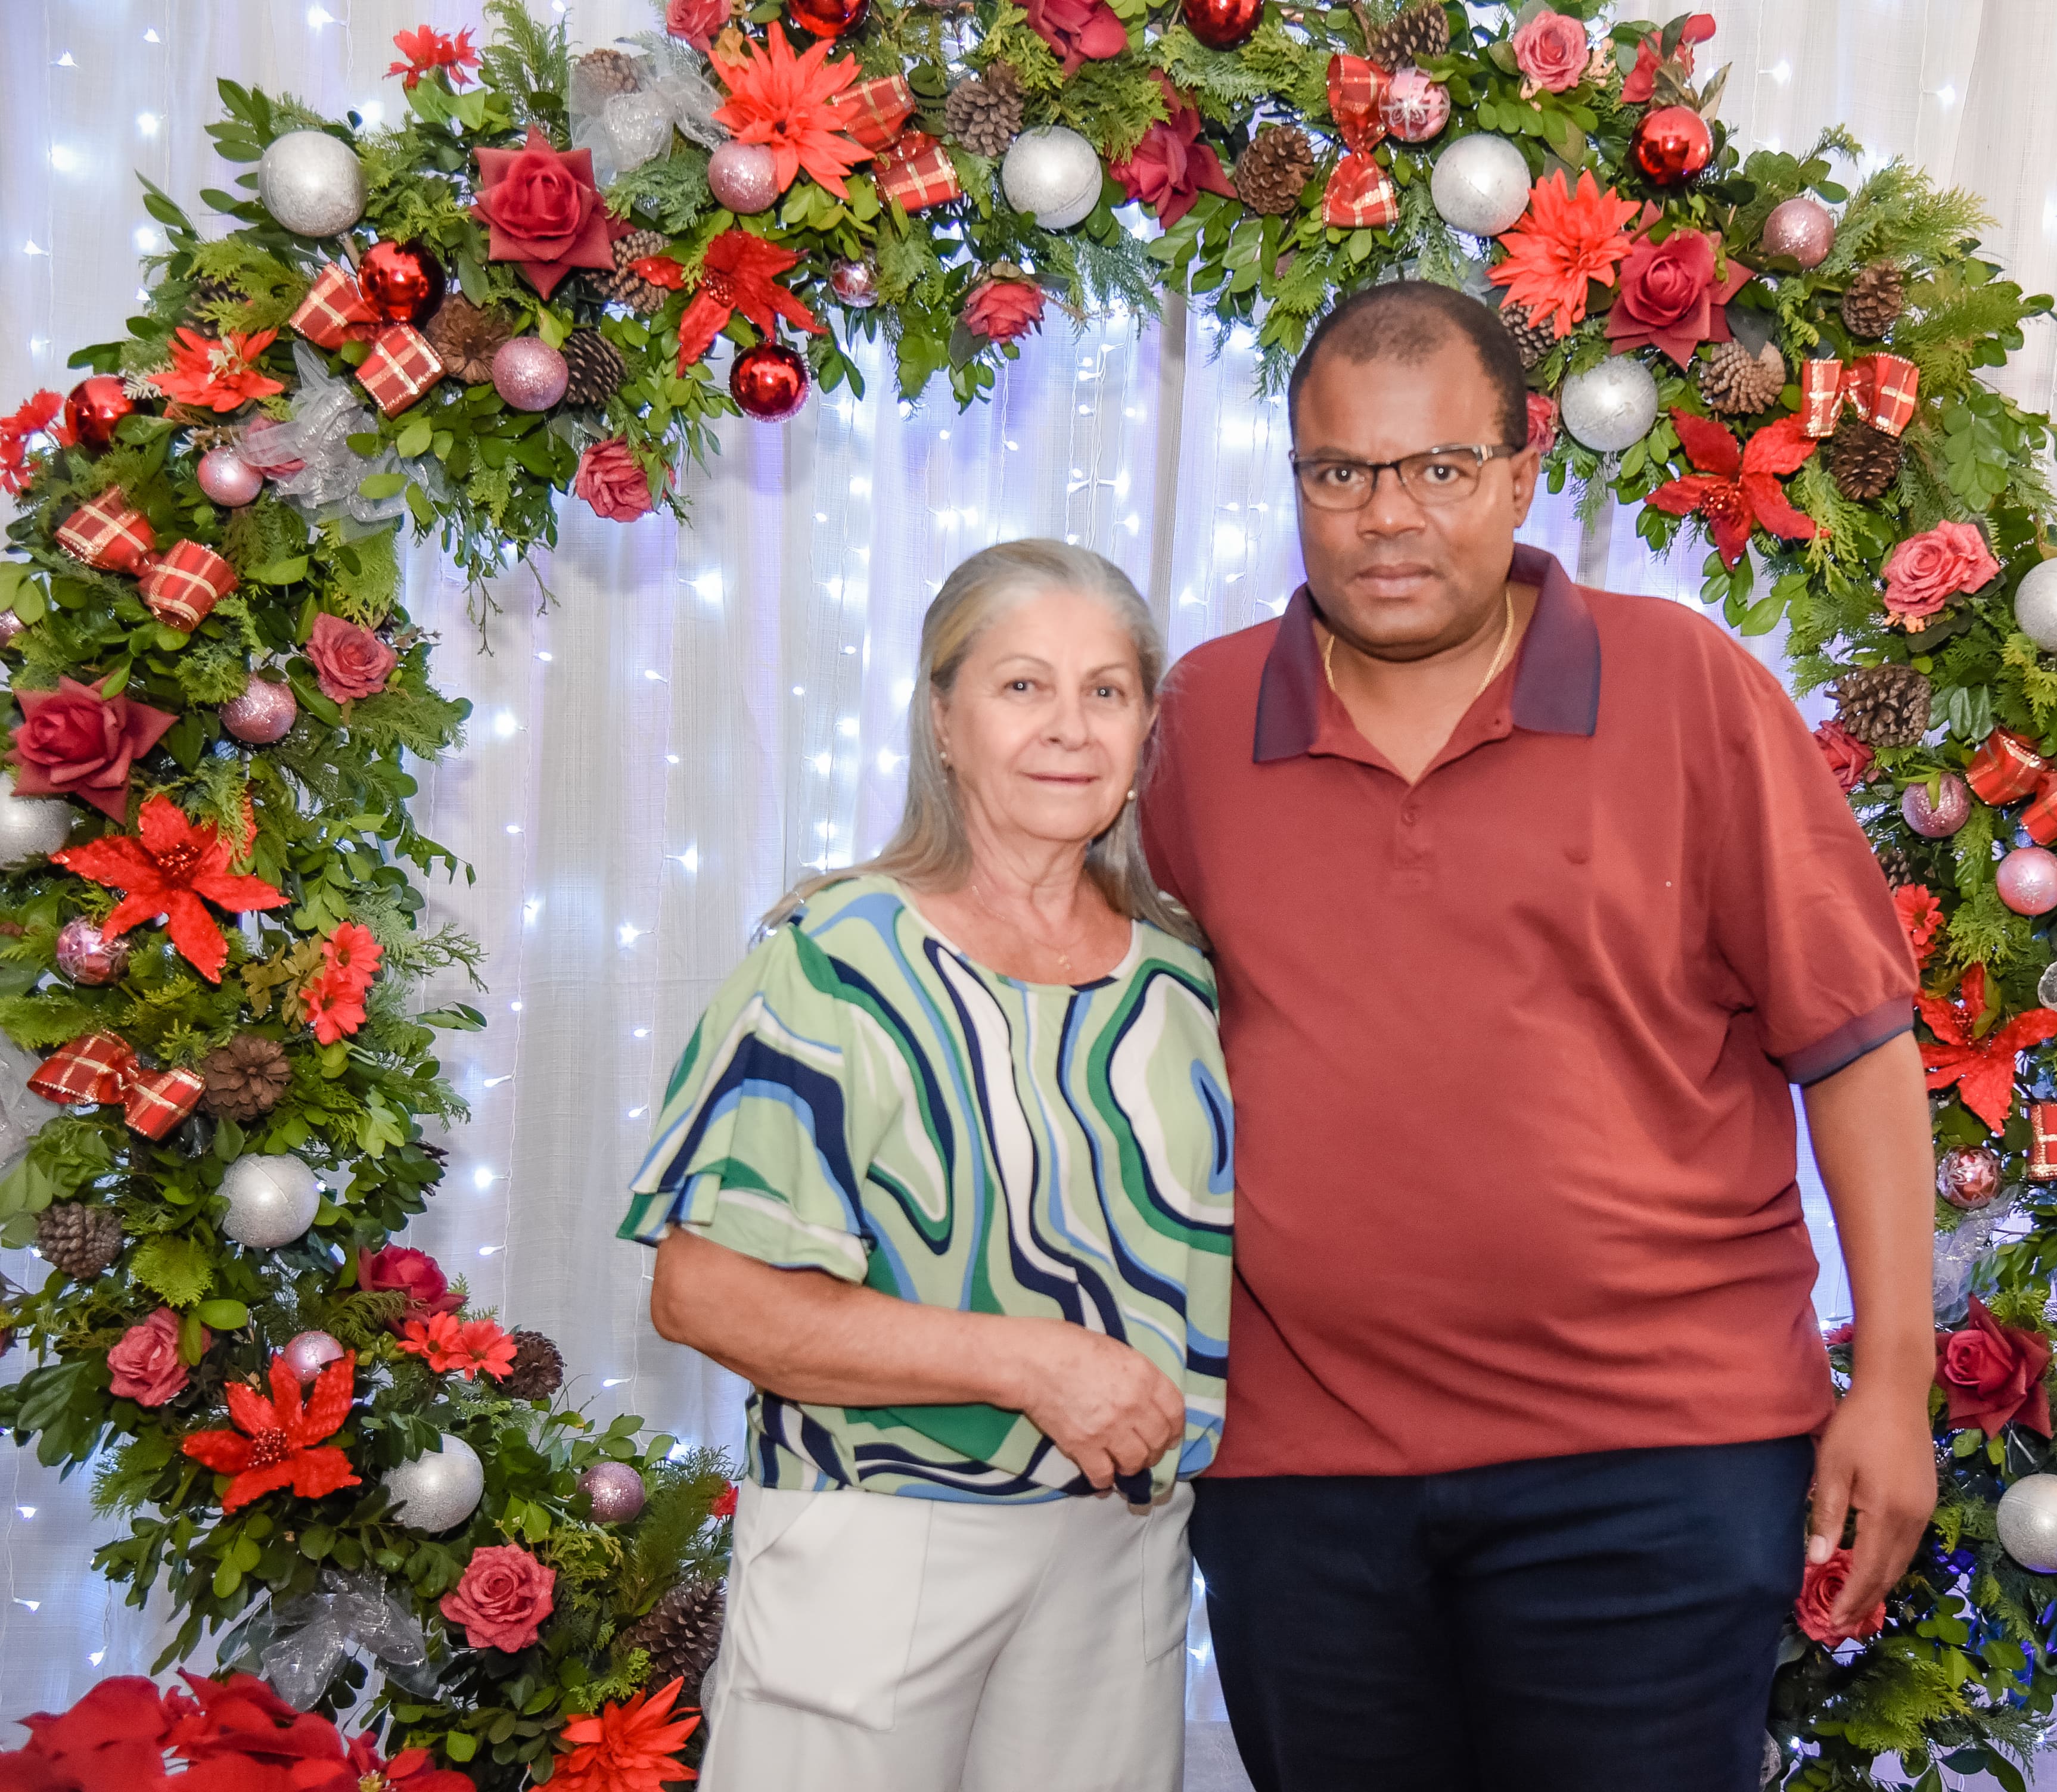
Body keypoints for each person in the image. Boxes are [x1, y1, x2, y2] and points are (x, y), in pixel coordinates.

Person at [1136, 281, 1938, 1791]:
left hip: (1655, 1463)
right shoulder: (1203, 716)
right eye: (1340, 471)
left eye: (1439, 468)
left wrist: (1895, 1385)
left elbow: (1857, 1048)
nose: (1388, 515)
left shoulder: (1685, 684)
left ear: (1522, 473)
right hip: (1304, 1481)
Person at [621, 540, 1233, 1792]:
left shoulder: (1180, 976)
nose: (1068, 727)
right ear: (944, 722)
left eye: (1106, 691)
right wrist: (1036, 1364)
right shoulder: (836, 959)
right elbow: (705, 1294)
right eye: (1022, 686)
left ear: (1145, 731)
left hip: (1121, 1545)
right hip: (882, 1541)